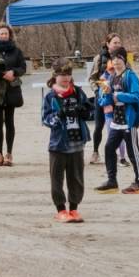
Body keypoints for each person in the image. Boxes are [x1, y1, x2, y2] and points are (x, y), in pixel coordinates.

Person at [40, 62, 93, 222]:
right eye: (62, 75)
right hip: (58, 144)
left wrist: (85, 112)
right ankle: (61, 209)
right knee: (57, 178)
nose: (65, 78)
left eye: (68, 74)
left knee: (76, 177)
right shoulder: (50, 96)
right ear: (55, 76)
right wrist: (59, 115)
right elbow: (45, 119)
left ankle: (74, 208)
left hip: (77, 141)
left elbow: (89, 110)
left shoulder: (78, 92)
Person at [94, 52, 139, 194]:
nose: (116, 62)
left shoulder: (130, 76)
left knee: (133, 151)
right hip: (116, 120)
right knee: (109, 148)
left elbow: (137, 96)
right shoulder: (111, 78)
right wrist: (105, 93)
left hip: (129, 120)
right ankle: (112, 181)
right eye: (114, 59)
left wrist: (118, 95)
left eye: (119, 59)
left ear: (125, 60)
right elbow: (104, 101)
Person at [0, 24, 27, 168]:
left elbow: (23, 67)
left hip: (11, 90)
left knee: (10, 122)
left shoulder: (16, 51)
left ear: (10, 35)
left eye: (6, 34)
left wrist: (13, 73)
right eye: (1, 34)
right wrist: (2, 74)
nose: (4, 36)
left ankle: (9, 153)